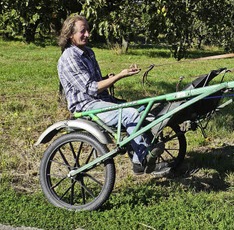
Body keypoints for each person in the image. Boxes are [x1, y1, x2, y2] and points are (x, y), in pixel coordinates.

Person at [57, 14, 170, 176]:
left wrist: (108, 79)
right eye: (83, 31)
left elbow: (95, 83)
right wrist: (119, 76)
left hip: (100, 100)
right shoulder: (69, 57)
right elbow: (91, 89)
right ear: (70, 35)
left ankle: (140, 156)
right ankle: (142, 159)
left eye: (88, 30)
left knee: (143, 108)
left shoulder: (88, 52)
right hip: (87, 106)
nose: (87, 34)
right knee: (129, 114)